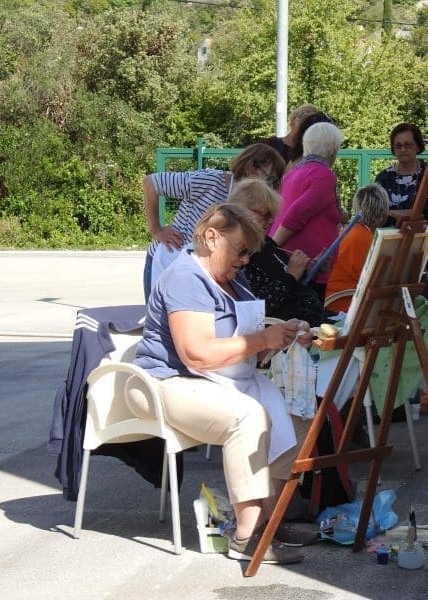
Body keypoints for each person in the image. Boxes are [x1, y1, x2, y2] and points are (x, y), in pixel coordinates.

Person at [133, 203, 317, 564]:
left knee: (297, 414)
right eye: (241, 250)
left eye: (250, 252)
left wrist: (285, 335)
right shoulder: (187, 277)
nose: (246, 259)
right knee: (246, 417)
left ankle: (270, 520)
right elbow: (197, 354)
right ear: (212, 238)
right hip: (170, 381)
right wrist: (264, 340)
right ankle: (246, 536)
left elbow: (246, 345)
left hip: (224, 379)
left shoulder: (233, 277)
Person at [142, 143, 286, 300]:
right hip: (169, 261)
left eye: (275, 179)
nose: (271, 184)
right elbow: (151, 182)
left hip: (202, 269)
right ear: (249, 167)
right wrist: (157, 229)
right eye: (268, 176)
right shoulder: (210, 181)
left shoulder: (254, 198)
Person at [228, 178, 326, 326]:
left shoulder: (266, 244)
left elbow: (291, 282)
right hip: (288, 333)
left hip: (310, 324)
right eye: (266, 214)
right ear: (243, 212)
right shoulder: (241, 256)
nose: (272, 221)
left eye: (273, 215)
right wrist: (291, 275)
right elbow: (258, 307)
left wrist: (310, 269)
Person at [270, 122, 344, 300]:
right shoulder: (324, 175)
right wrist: (271, 246)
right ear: (333, 150)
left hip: (298, 262)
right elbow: (297, 213)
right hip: (309, 268)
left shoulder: (294, 173)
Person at [374, 123, 428, 295]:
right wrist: (395, 214)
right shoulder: (384, 178)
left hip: (425, 246)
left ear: (418, 146)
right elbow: (376, 212)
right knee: (394, 295)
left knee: (423, 294)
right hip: (394, 245)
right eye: (398, 146)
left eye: (408, 145)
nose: (403, 149)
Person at [325, 184, 390, 313]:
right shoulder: (363, 238)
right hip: (344, 302)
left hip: (338, 297)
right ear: (382, 211)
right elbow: (374, 279)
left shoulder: (355, 231)